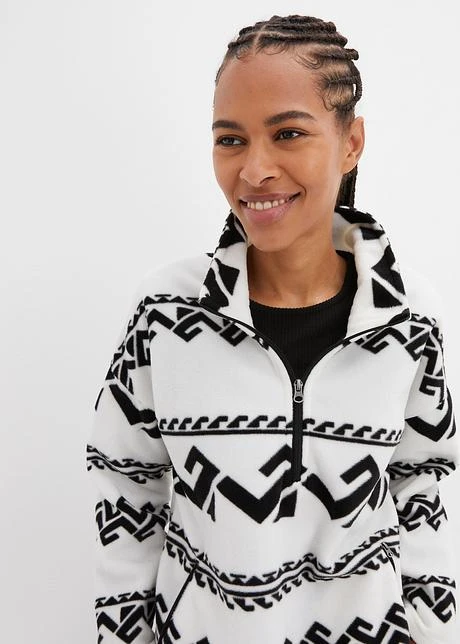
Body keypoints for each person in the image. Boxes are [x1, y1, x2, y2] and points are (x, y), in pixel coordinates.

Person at [86, 14, 459, 644]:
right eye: (230, 139)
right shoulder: (165, 313)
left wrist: (430, 630)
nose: (254, 168)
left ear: (351, 142)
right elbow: (125, 483)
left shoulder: (411, 318)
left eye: (288, 133)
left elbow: (425, 482)